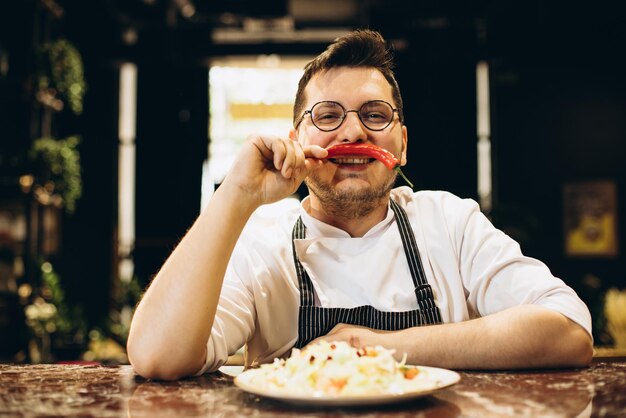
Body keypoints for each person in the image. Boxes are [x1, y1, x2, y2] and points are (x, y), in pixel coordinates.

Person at [127, 29, 593, 380]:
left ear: (402, 144)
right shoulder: (261, 241)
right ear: (298, 141)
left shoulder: (450, 222)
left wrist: (375, 346)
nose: (352, 132)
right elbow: (155, 355)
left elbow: (569, 329)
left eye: (374, 115)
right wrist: (236, 195)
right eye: (328, 115)